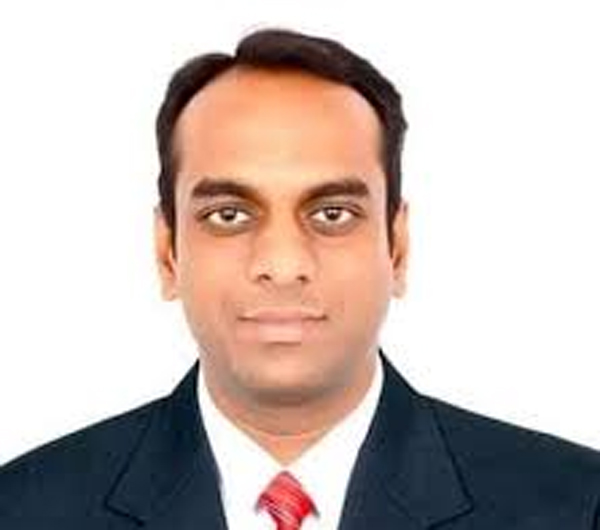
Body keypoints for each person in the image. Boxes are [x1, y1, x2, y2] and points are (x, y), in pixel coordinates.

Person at [0, 27, 599, 529]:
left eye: (332, 214)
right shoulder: (23, 510)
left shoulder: (577, 506)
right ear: (167, 253)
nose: (283, 264)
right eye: (228, 215)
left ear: (397, 247)